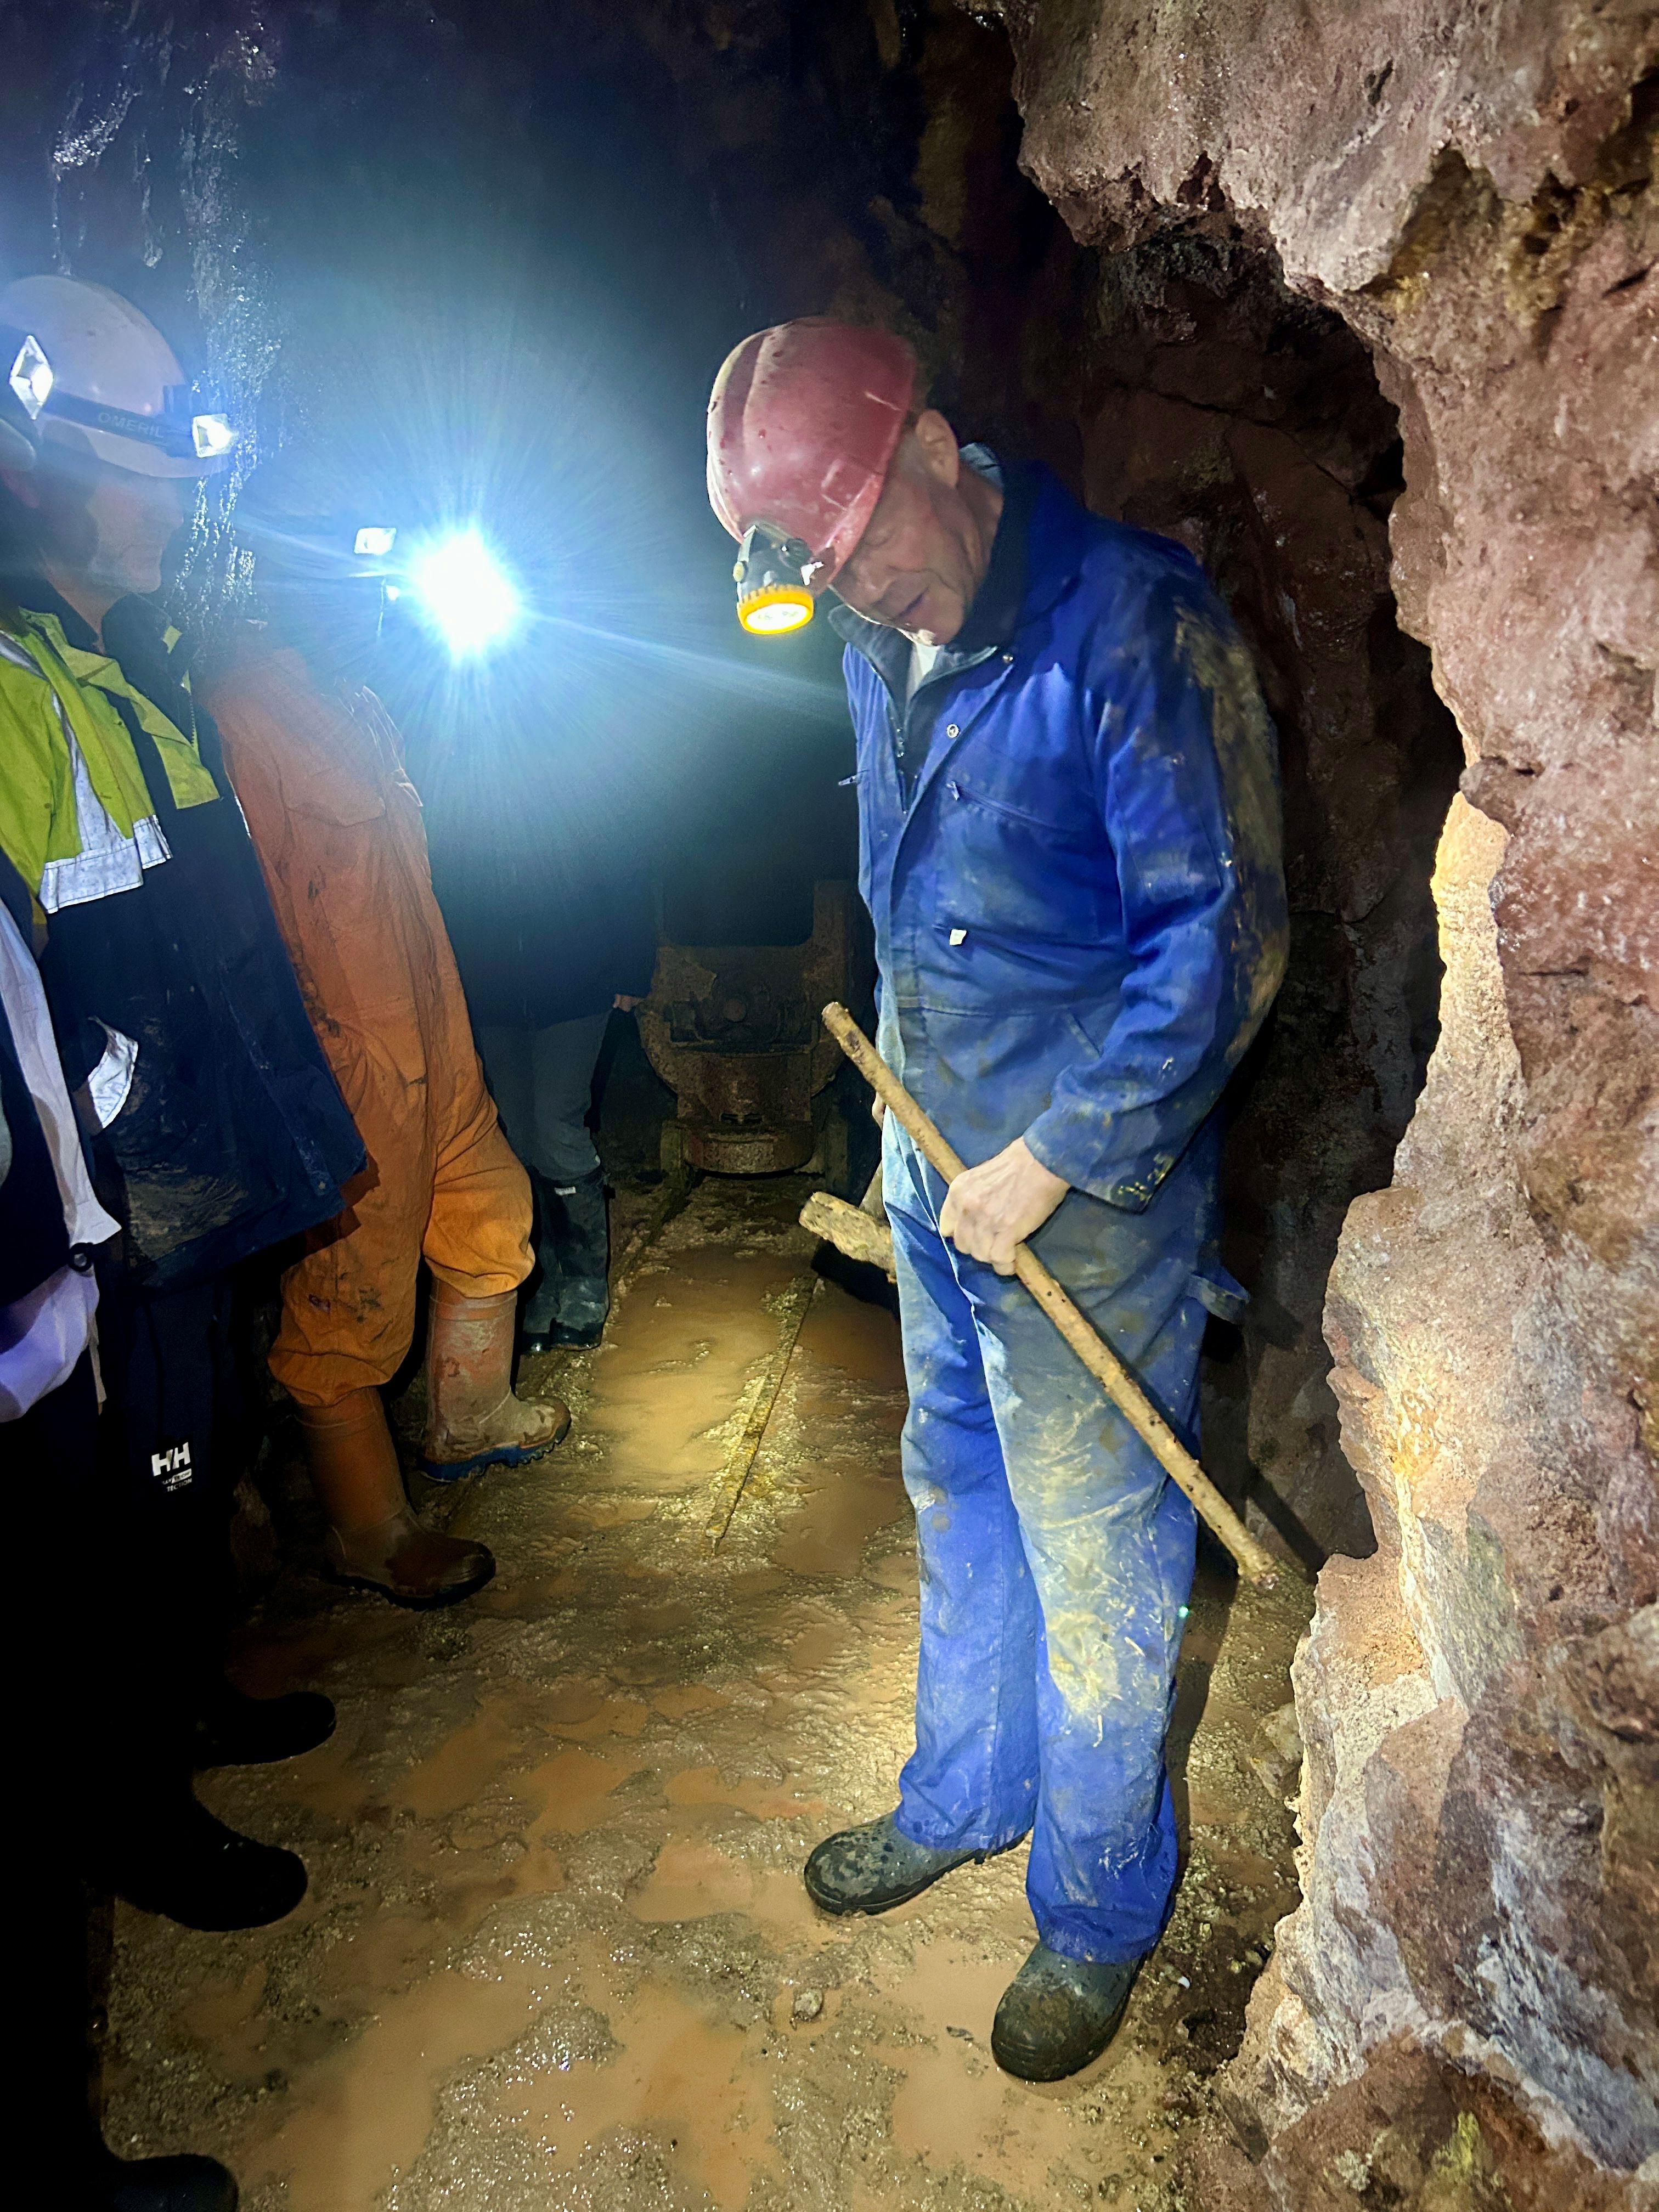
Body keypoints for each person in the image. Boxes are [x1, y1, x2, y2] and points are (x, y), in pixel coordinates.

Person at [706, 319, 1288, 2081]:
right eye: (832, 576)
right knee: (957, 1487)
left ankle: (1098, 1906)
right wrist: (905, 1118)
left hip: (1082, 1191)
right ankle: (966, 1793)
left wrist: (1049, 1158)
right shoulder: (879, 634)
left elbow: (1223, 938)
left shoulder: (1136, 623)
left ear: (941, 445)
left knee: (1099, 1549)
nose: (870, 596)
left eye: (870, 549)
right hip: (934, 1168)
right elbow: (917, 897)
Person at [0, 274, 363, 1937]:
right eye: (144, 466)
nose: (172, 501)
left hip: (188, 1194)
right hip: (115, 1220)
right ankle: (139, 1815)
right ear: (37, 457)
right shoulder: (13, 682)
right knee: (125, 1531)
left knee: (192, 1475)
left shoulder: (109, 660)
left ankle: (190, 1713)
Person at [196, 481, 569, 1606]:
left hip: (434, 1037)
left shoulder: (356, 701)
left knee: (492, 1212)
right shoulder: (237, 711)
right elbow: (246, 920)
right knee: (345, 1306)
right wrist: (302, 1075)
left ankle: (470, 1415)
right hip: (349, 1063)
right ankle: (371, 1529)